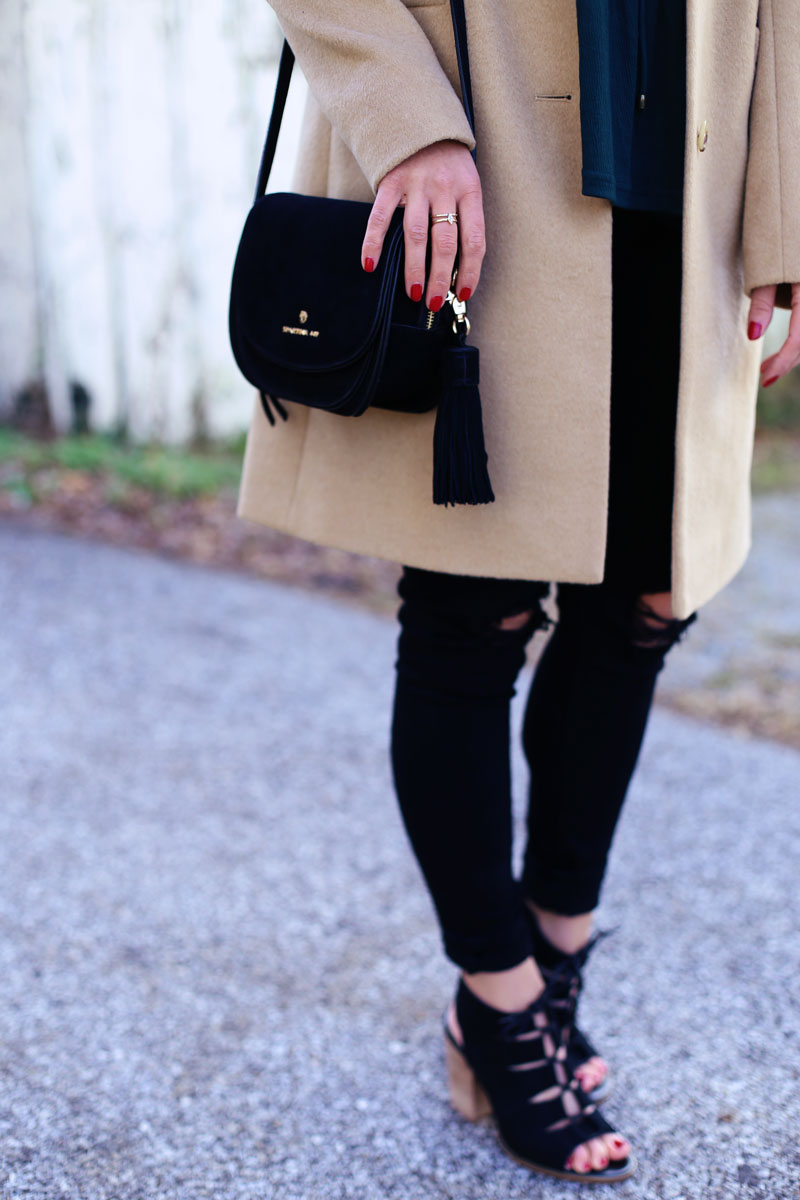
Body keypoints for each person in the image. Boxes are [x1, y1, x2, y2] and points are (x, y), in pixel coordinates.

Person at [236, 0, 800, 1184]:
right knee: (471, 616)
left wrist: (784, 224)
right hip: (478, 162)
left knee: (642, 604)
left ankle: (551, 960)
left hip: (691, 187)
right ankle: (498, 1004)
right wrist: (407, 126)